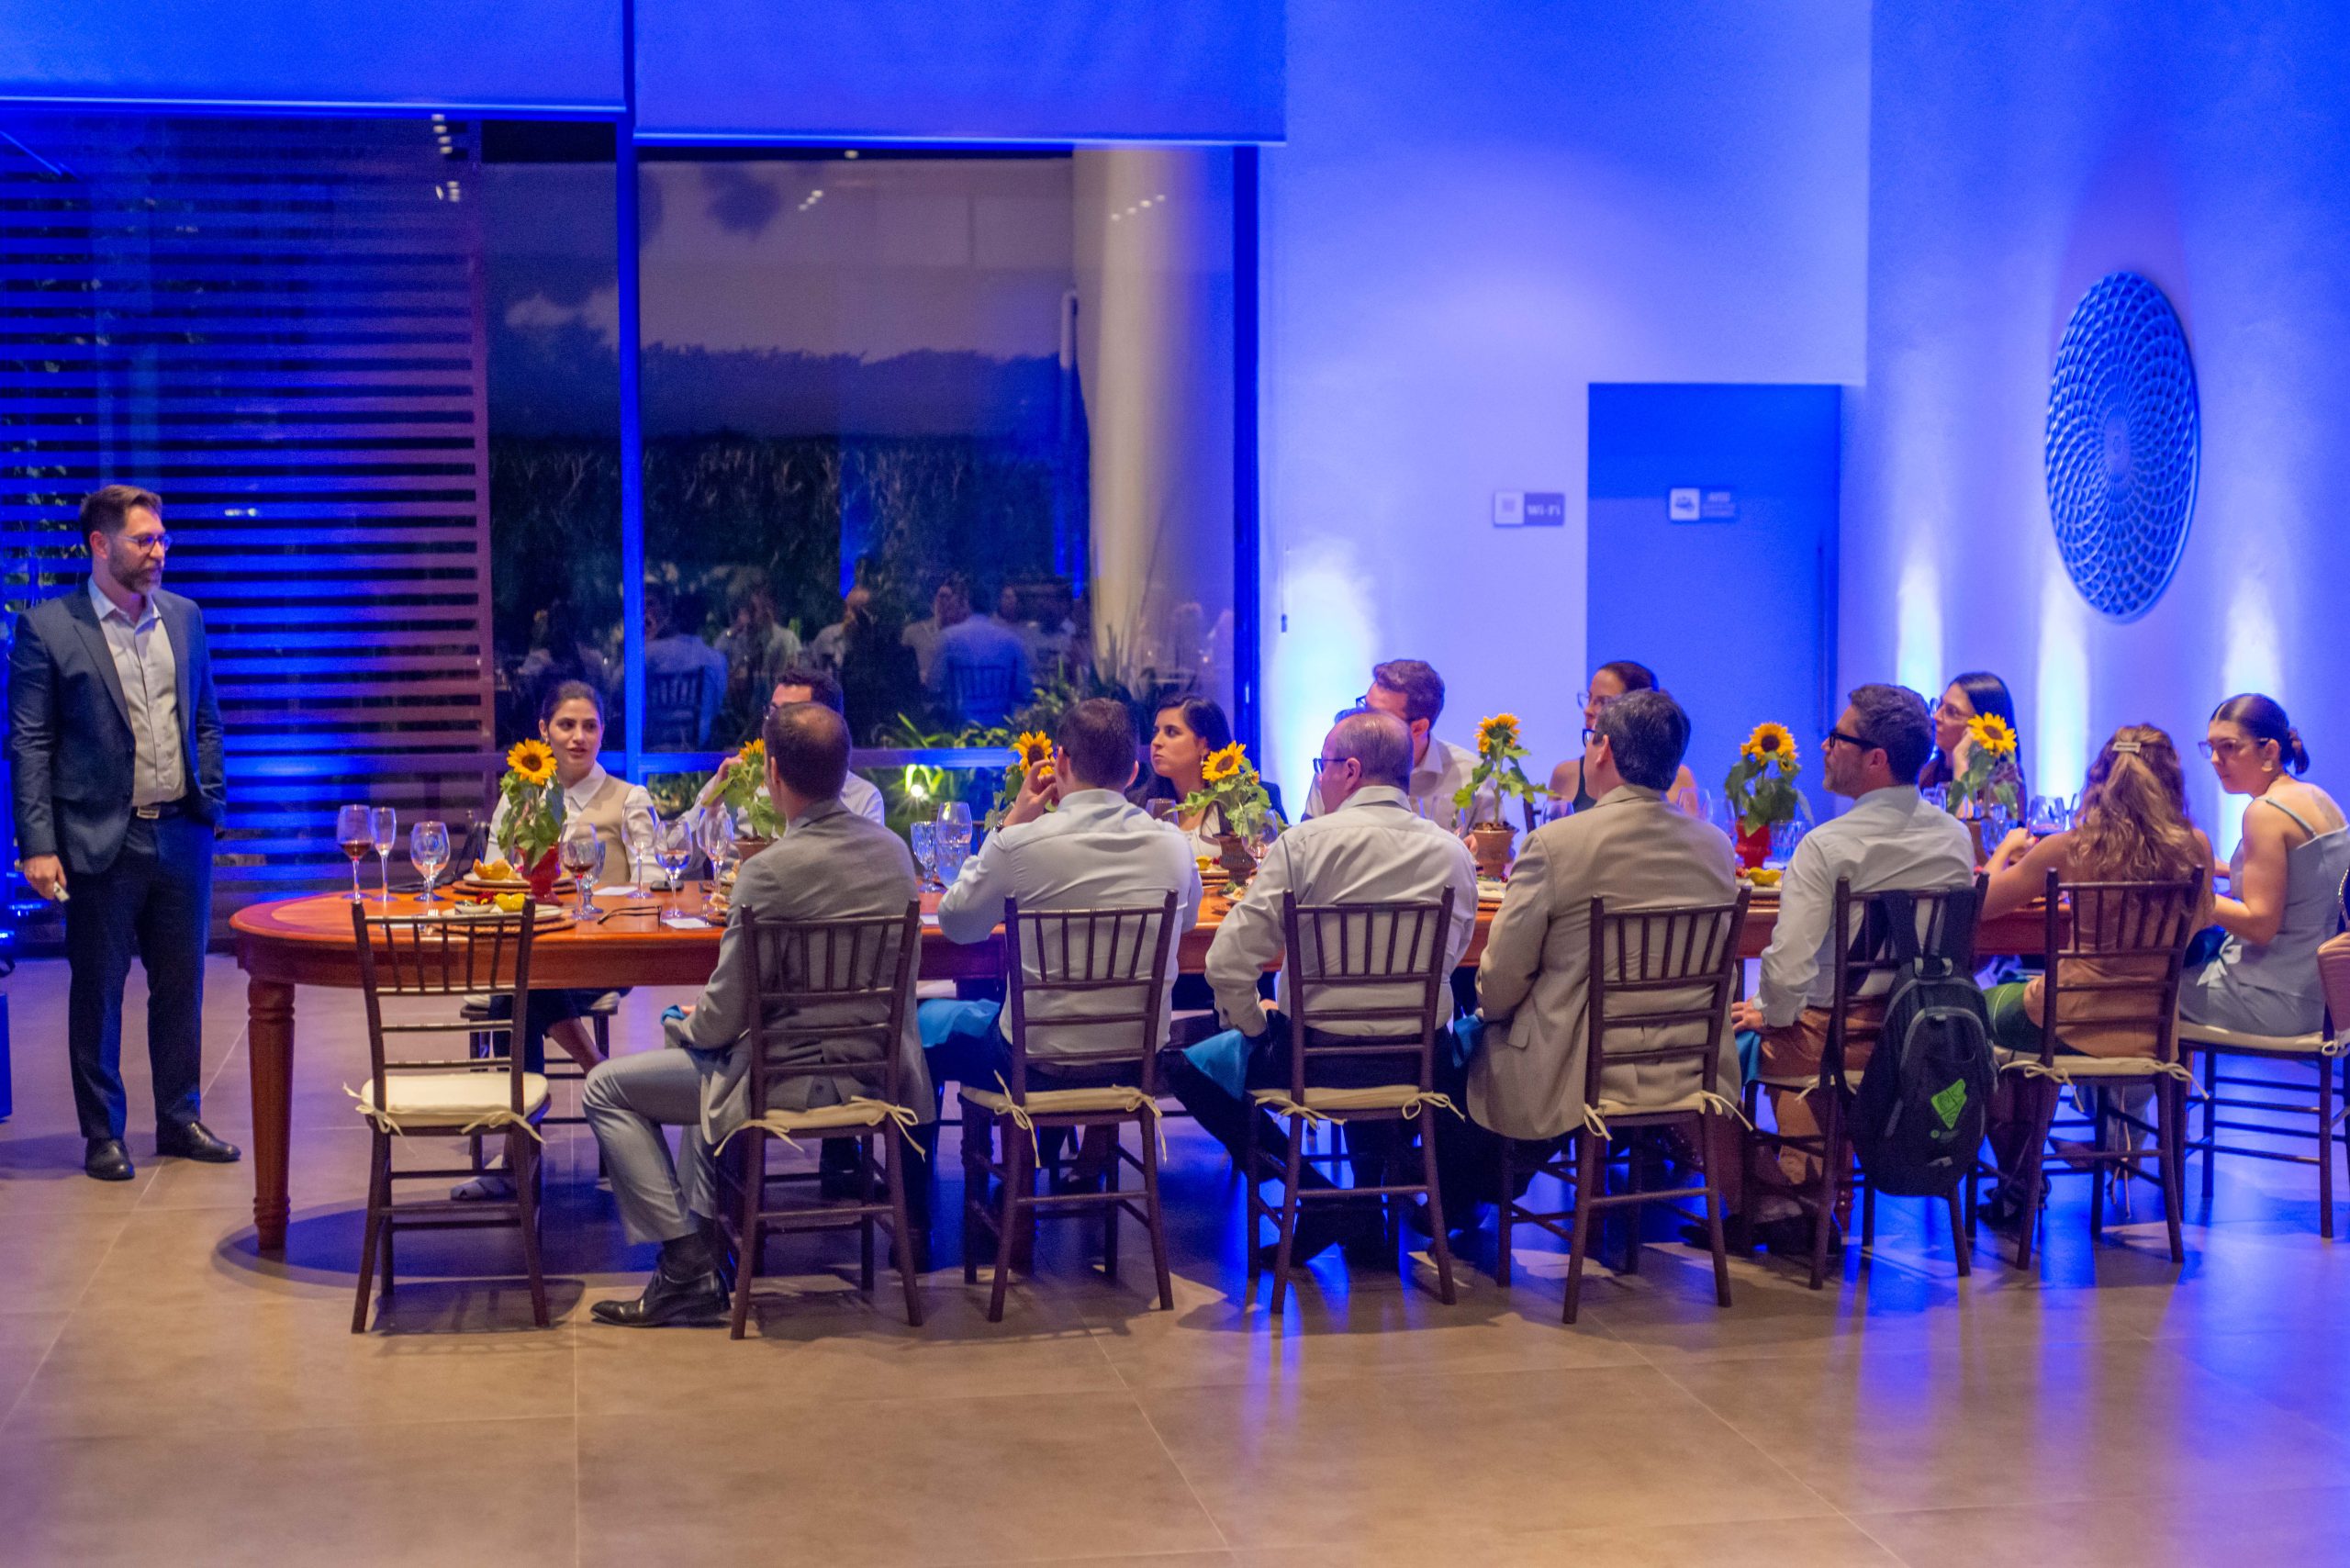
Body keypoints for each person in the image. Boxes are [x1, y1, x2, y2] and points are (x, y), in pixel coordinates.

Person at [581, 701, 927, 1327]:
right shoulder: (895, 853)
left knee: (608, 1085)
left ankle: (685, 1261)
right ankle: (698, 1252)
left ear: (772, 773)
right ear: (845, 767)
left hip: (786, 1079)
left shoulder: (768, 872)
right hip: (877, 1072)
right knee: (709, 1059)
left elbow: (720, 1019)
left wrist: (682, 1023)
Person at [1164, 709, 1479, 1264]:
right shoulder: (1453, 853)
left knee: (1185, 1065)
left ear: (1350, 770)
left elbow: (1227, 963)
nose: (1320, 776)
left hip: (1312, 1057)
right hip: (1420, 1061)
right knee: (1385, 1046)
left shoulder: (1305, 844)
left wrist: (1258, 1028)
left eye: (1323, 764)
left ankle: (1323, 1197)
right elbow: (1451, 960)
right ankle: (1365, 1211)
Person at [6, 485, 238, 1181]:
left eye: (162, 538)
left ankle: (179, 1118)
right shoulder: (49, 627)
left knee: (182, 984)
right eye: (144, 540)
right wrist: (37, 844)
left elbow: (205, 718)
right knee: (99, 989)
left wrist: (211, 802)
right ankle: (103, 1134)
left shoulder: (184, 617)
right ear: (100, 545)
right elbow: (29, 743)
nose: (158, 551)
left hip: (181, 832)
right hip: (98, 835)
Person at [1454, 689, 1739, 1212]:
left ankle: (1452, 1197)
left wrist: (1486, 1015)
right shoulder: (1716, 847)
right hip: (1684, 1060)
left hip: (1575, 1069)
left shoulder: (1557, 844)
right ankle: (1472, 1193)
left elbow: (1501, 978)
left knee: (1463, 1048)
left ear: (1603, 748)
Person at [1722, 684, 1974, 1250]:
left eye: (1838, 738)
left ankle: (1773, 1200)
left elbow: (1788, 973)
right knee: (1781, 1020)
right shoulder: (1955, 838)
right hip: (1924, 1036)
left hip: (1836, 1041)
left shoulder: (1825, 848)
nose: (1826, 747)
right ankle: (1802, 1196)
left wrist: (1768, 1010)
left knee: (1713, 1049)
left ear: (1876, 758)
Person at [1974, 725, 2214, 1224]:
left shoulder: (2072, 847)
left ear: (2099, 779)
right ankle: (2023, 1179)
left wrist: (2003, 850)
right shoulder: (2196, 849)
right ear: (2171, 779)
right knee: (2020, 1030)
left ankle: (2018, 1181)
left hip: (2072, 1019)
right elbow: (2200, 924)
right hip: (2151, 1030)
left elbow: (1982, 905)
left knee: (1978, 1011)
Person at [923, 698, 1203, 1103]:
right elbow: (1188, 921)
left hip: (1032, 1066)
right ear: (1133, 772)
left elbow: (957, 924)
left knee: (926, 1021)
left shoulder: (1018, 845)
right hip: (1137, 1063)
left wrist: (1011, 822)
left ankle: (913, 1147)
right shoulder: (1174, 846)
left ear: (1061, 762)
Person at [2183, 694, 2350, 1037]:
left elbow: (2260, 926)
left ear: (2270, 750)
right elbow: (2304, 878)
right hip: (2323, 1000)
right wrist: (2223, 869)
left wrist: (2191, 892)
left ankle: (2145, 1073)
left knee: (2145, 995)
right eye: (2211, 747)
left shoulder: (2265, 812)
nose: (2215, 759)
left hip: (2274, 997)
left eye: (2229, 747)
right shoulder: (2316, 796)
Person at [693, 667, 886, 828]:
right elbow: (680, 848)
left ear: (827, 725)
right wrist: (711, 805)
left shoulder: (861, 799)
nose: (772, 726)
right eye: (772, 713)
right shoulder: (736, 779)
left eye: (787, 716)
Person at [1301, 659, 1480, 827]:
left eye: (1377, 715)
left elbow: (1491, 847)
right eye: (1364, 706)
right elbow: (1308, 840)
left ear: (1418, 728)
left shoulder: (1472, 776)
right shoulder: (1337, 765)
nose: (1362, 719)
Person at [1547, 660, 1702, 817]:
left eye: (1603, 702)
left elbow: (1691, 831)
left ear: (1639, 709)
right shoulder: (1565, 774)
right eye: (1589, 698)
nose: (1587, 710)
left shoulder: (1680, 777)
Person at [1131, 694, 1237, 857]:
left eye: (1171, 732)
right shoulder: (1137, 804)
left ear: (1204, 745)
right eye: (1156, 732)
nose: (1156, 742)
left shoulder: (1240, 803)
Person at [1919, 670, 2029, 812]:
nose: (1936, 717)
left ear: (1983, 728)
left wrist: (1961, 762)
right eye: (1939, 705)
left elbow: (1963, 824)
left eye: (1951, 712)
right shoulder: (1928, 771)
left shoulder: (2005, 778)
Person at [928, 582, 1034, 729]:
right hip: (1001, 731)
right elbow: (1025, 690)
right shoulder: (1013, 641)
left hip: (958, 730)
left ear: (967, 603)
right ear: (994, 605)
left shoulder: (948, 637)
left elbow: (934, 685)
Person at [643, 584, 727, 747]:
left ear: (672, 618)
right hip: (698, 751)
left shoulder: (649, 653)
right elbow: (717, 707)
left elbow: (619, 688)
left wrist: (648, 639)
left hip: (651, 751)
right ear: (703, 621)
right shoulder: (716, 659)